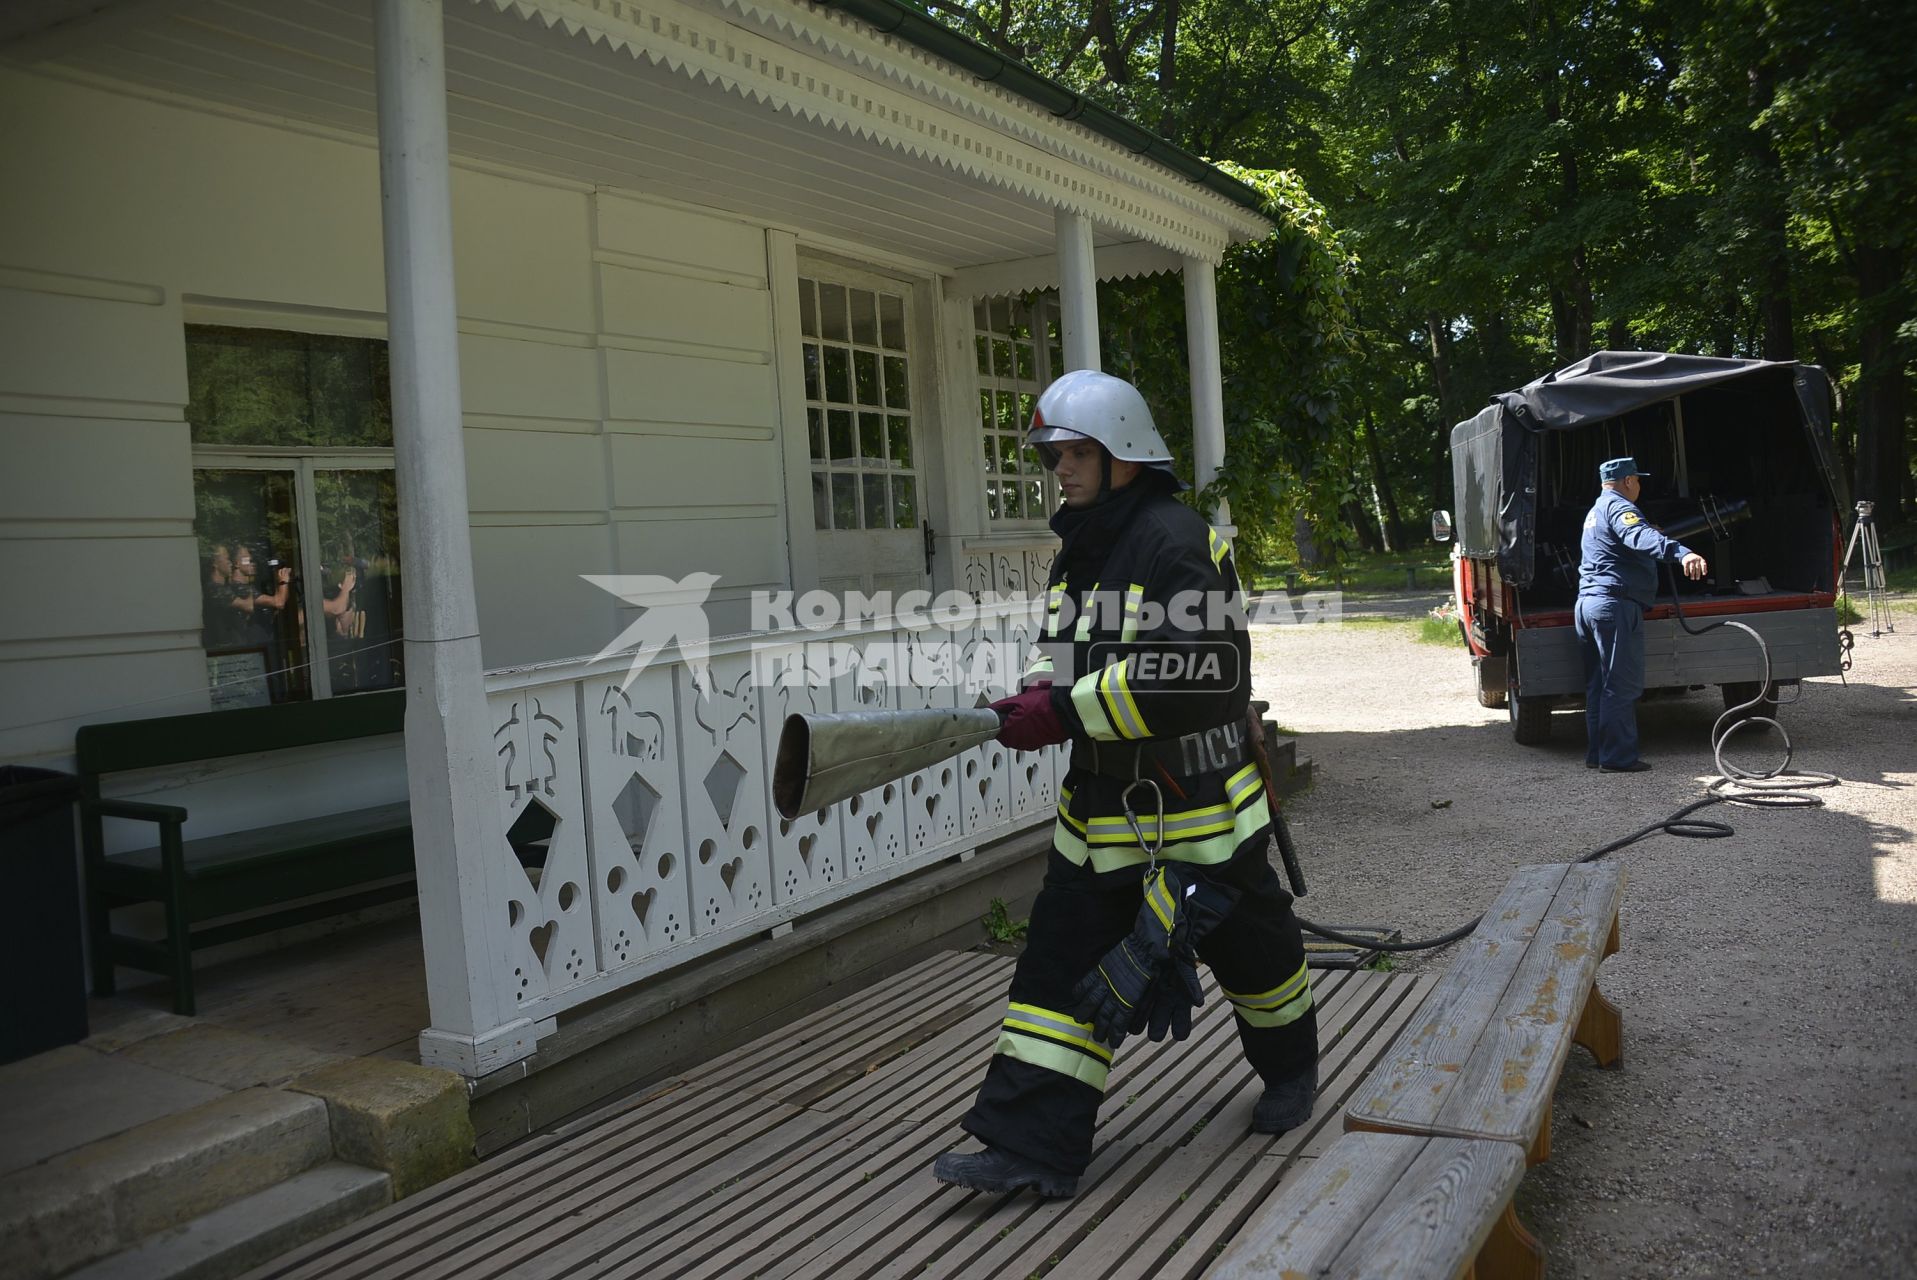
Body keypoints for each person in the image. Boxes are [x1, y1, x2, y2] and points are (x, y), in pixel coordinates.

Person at [932, 370, 1318, 1199]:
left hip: (1203, 811)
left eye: (1075, 453)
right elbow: (1060, 646)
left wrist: (1064, 714)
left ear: (1124, 455)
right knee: (1054, 970)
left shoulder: (1178, 542)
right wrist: (1037, 693)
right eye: (1054, 455)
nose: (1059, 470)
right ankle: (1032, 1150)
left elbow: (1199, 680)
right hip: (1100, 813)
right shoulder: (1082, 544)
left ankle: (1291, 1072)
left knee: (1256, 959)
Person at [1576, 457, 1708, 772]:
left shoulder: (1596, 510)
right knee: (1620, 684)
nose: (1639, 485)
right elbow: (1638, 536)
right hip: (1614, 606)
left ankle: (1598, 753)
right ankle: (1618, 758)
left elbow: (1624, 541)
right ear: (1628, 481)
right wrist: (1682, 553)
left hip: (1588, 604)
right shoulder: (1621, 507)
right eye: (1638, 480)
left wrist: (1648, 530)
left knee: (1599, 684)